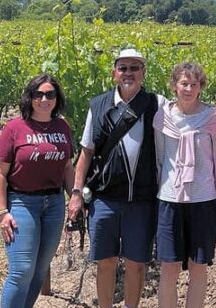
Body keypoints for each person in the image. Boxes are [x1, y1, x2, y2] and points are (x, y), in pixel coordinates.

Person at [67, 48, 165, 308]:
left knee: (136, 264)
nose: (128, 73)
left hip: (141, 199)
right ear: (114, 73)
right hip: (104, 199)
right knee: (106, 262)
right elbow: (86, 153)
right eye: (123, 68)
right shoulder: (98, 105)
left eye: (135, 68)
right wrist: (76, 193)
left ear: (143, 73)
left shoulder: (157, 104)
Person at [0, 74, 75, 308]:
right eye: (38, 94)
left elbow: (67, 165)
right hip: (22, 202)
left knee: (39, 271)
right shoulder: (14, 128)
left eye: (50, 94)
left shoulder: (62, 126)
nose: (44, 99)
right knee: (21, 271)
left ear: (57, 98)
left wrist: (75, 196)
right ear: (30, 97)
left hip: (54, 204)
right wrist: (2, 212)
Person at [153, 62, 216, 308]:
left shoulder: (211, 116)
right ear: (174, 86)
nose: (188, 89)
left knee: (199, 266)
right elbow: (159, 157)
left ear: (200, 87)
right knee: (169, 266)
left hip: (203, 200)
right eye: (183, 83)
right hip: (170, 199)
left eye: (193, 84)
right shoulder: (162, 117)